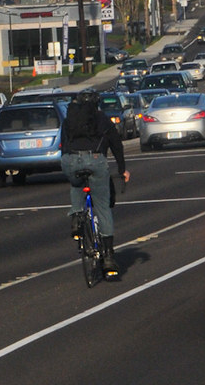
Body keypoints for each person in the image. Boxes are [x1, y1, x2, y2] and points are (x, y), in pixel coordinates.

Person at [60, 88, 129, 280]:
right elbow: (117, 145)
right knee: (103, 208)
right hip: (96, 161)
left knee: (76, 185)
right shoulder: (103, 119)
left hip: (71, 160)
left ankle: (76, 219)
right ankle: (108, 257)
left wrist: (68, 164)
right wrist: (122, 169)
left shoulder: (69, 120)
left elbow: (63, 145)